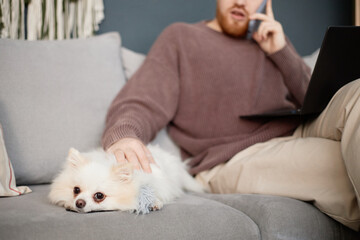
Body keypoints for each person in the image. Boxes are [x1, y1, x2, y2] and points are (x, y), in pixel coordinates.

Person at [102, 0, 360, 230]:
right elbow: (142, 101)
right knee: (340, 164)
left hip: (299, 130)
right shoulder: (181, 38)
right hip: (230, 156)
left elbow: (323, 104)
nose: (240, 2)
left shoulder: (270, 42)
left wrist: (281, 51)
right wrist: (124, 136)